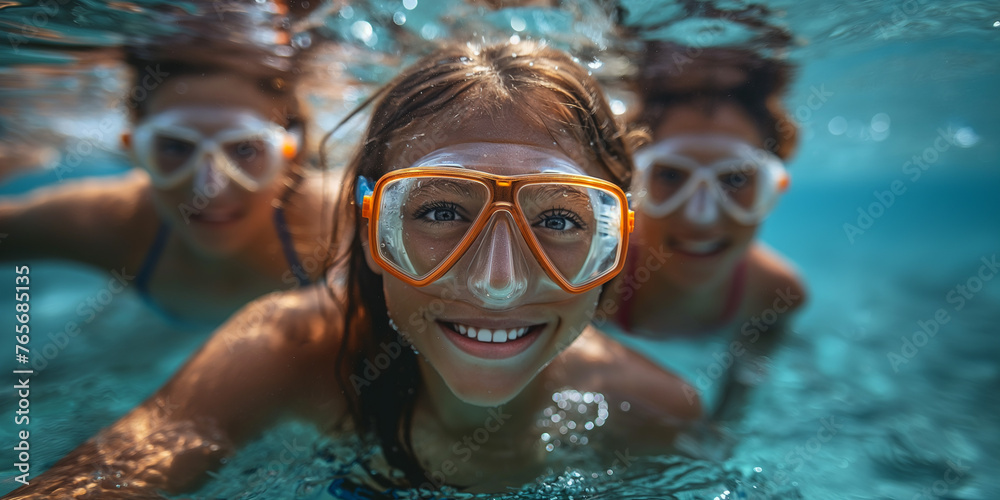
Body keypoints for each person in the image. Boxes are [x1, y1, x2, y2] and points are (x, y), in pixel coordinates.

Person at [5, 40, 700, 499]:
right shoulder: (286, 351)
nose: (499, 281)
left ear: (617, 243)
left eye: (558, 220)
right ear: (371, 229)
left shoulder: (655, 414)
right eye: (439, 213)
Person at [0, 3, 330, 325]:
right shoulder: (116, 221)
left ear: (292, 152)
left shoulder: (335, 222)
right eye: (175, 146)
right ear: (135, 150)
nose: (209, 189)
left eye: (244, 149)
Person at [608, 42, 808, 421]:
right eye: (670, 175)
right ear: (632, 184)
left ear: (773, 189)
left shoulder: (777, 296)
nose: (701, 216)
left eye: (734, 179)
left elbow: (731, 416)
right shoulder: (593, 277)